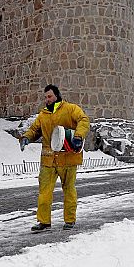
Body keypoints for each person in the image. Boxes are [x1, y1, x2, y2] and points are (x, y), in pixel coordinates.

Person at [19, 84, 90, 232]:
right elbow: (34, 130)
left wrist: (78, 136)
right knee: (44, 192)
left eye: (49, 96)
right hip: (48, 159)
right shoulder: (43, 115)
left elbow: (84, 120)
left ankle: (70, 220)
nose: (47, 99)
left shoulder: (70, 109)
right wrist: (26, 137)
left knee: (69, 189)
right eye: (45, 97)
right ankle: (44, 221)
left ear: (57, 95)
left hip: (68, 158)